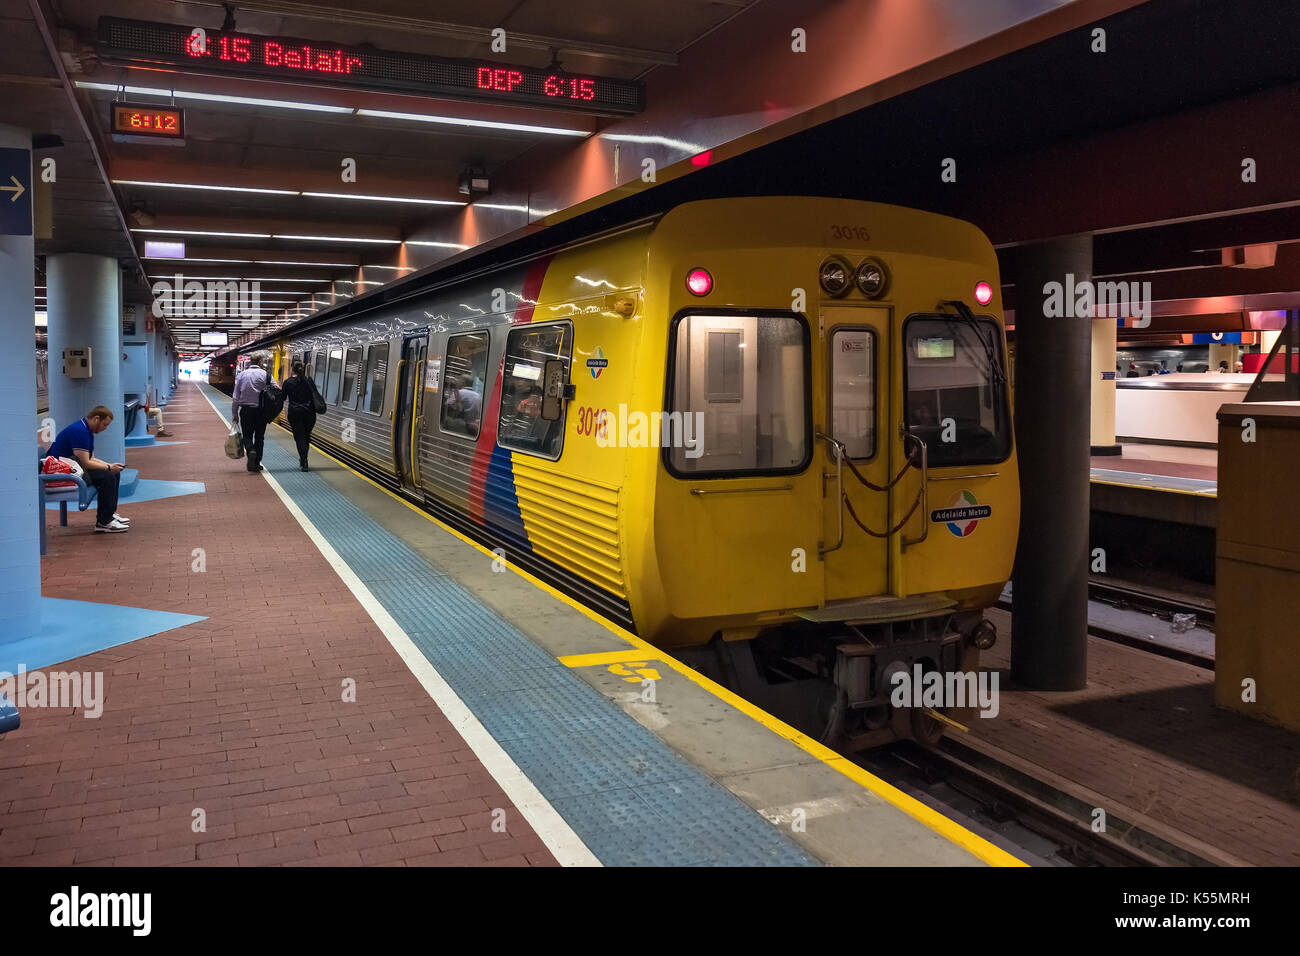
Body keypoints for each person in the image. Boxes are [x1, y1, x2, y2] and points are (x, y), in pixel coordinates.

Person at [46, 405, 130, 533]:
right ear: (97, 419)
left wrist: (110, 465)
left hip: (72, 468)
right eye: (104, 424)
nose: (105, 428)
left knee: (113, 473)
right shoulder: (80, 431)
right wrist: (108, 467)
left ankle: (109, 514)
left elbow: (91, 458)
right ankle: (104, 522)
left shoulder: (86, 429)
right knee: (107, 477)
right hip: (60, 472)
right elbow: (86, 463)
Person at [232, 353, 271, 472]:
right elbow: (275, 390)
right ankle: (257, 463)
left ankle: (250, 450)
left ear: (250, 362)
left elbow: (235, 397)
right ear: (260, 362)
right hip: (261, 412)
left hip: (246, 411)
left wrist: (235, 414)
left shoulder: (242, 375)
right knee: (260, 437)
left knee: (247, 436)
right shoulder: (266, 375)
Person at [281, 360, 318, 471]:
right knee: (306, 436)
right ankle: (305, 459)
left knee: (299, 438)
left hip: (295, 413)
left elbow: (282, 398)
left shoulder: (288, 382)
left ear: (292, 369)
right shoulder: (309, 381)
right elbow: (315, 395)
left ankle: (303, 460)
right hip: (309, 413)